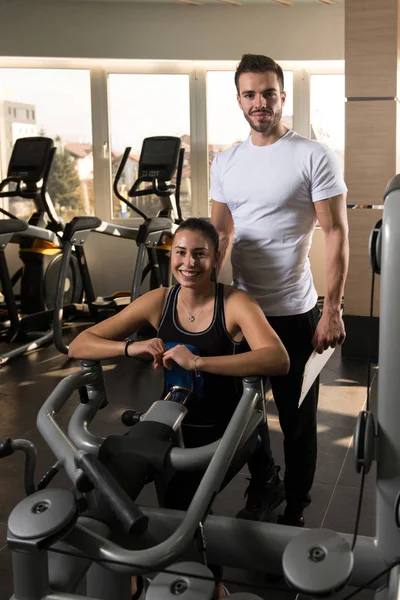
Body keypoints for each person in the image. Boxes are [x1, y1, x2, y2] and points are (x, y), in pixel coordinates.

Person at [69, 217, 289, 599]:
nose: (189, 263)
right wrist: (130, 347)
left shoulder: (236, 303)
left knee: (185, 510)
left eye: (200, 254)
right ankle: (132, 575)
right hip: (176, 422)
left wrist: (200, 363)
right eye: (181, 253)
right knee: (128, 486)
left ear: (216, 259)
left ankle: (210, 585)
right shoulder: (159, 300)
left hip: (226, 427)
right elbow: (80, 344)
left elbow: (277, 358)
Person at [210, 54, 349, 527]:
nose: (260, 102)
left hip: (295, 312)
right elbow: (221, 234)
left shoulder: (313, 156)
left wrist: (332, 310)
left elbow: (336, 233)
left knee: (297, 423)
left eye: (269, 93)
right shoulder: (225, 161)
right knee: (241, 414)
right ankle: (265, 481)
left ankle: (295, 507)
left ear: (282, 96)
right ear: (239, 100)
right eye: (250, 94)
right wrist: (201, 301)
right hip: (242, 313)